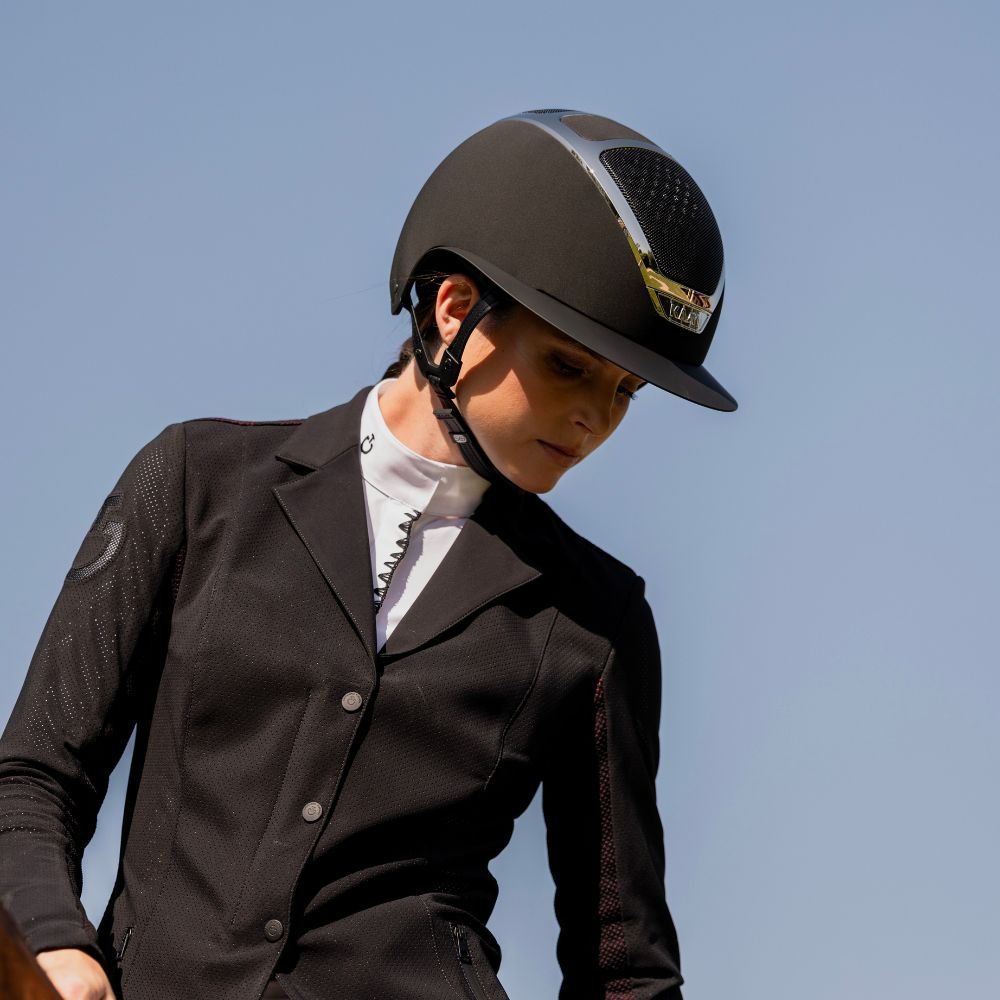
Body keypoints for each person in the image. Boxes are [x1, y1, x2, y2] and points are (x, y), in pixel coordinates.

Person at [0, 109, 736, 1000]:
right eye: (569, 367)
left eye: (625, 391)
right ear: (455, 310)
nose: (595, 418)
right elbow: (34, 778)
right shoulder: (196, 485)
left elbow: (624, 965)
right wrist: (56, 942)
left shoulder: (597, 619)